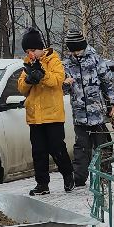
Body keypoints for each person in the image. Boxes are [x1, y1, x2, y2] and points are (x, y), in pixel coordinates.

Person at [15, 27, 75, 196]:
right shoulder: (27, 63)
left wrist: (42, 75)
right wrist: (28, 79)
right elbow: (21, 88)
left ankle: (68, 174)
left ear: (41, 48)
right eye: (28, 51)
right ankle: (42, 184)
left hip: (53, 115)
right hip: (35, 117)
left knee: (57, 148)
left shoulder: (53, 60)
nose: (31, 53)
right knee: (38, 152)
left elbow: (57, 81)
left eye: (33, 50)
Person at [60, 28, 114, 188]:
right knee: (81, 148)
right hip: (79, 115)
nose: (76, 53)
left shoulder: (95, 60)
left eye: (78, 49)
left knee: (102, 146)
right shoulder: (67, 64)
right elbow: (62, 89)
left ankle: (105, 176)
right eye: (73, 51)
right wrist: (65, 84)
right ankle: (78, 178)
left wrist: (113, 104)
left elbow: (108, 83)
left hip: (97, 113)